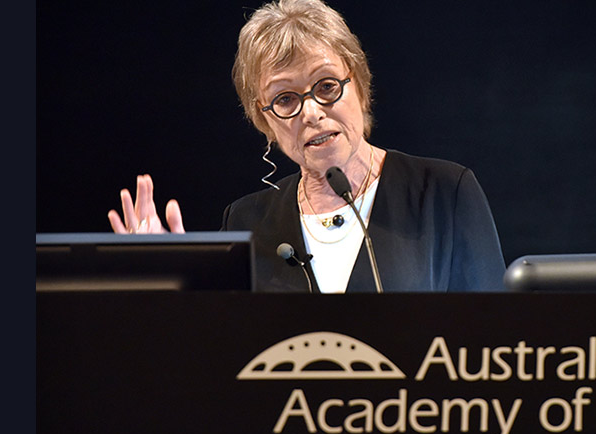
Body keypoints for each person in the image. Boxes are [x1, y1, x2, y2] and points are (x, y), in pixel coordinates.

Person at [107, 0, 505, 293]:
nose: (311, 112)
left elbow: (493, 343)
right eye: (285, 99)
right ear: (266, 122)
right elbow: (222, 357)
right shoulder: (244, 223)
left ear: (360, 87)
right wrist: (170, 283)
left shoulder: (443, 193)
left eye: (326, 86)